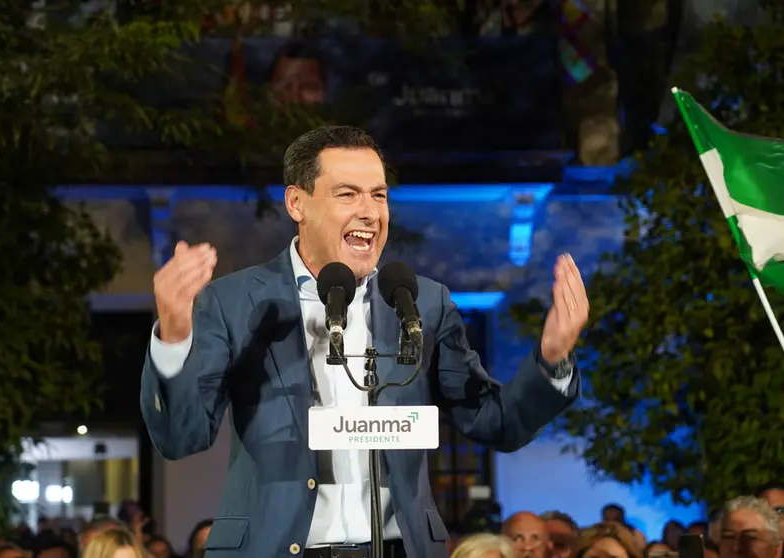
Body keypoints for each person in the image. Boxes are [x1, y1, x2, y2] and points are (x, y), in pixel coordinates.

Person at [141, 125, 588, 558]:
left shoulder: (420, 302)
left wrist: (553, 360)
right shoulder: (237, 301)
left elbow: (497, 422)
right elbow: (182, 438)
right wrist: (176, 337)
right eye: (347, 194)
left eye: (379, 195)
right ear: (297, 203)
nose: (370, 212)